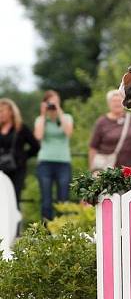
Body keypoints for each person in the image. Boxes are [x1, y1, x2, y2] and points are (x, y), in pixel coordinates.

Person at [34, 90, 73, 220]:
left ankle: (62, 229)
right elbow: (38, 136)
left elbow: (68, 133)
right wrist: (43, 115)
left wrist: (59, 112)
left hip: (63, 162)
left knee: (63, 198)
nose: (53, 105)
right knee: (46, 199)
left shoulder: (67, 117)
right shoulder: (40, 120)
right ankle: (46, 231)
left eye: (55, 101)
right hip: (45, 162)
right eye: (50, 102)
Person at [88, 90, 131, 171]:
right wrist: (92, 169)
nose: (117, 103)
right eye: (114, 101)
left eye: (120, 101)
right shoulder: (102, 122)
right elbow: (93, 147)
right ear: (109, 104)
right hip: (107, 169)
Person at [0, 98, 39, 206]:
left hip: (17, 169)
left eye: (2, 111)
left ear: (11, 112)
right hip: (1, 169)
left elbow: (35, 146)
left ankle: (14, 222)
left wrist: (23, 156)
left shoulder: (21, 128)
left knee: (13, 197)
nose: (0, 114)